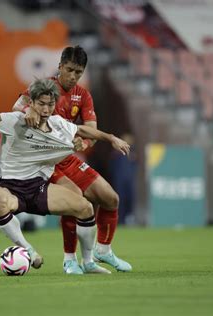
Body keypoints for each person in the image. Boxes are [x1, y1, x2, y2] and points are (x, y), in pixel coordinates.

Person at [0, 78, 130, 274]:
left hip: (38, 188)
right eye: (41, 104)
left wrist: (111, 138)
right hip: (10, 188)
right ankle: (29, 250)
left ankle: (88, 262)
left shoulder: (59, 126)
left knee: (85, 208)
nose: (46, 109)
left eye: (50, 104)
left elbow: (85, 131)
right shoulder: (12, 120)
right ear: (32, 103)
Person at [13, 46, 132, 274]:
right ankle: (70, 260)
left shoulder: (83, 95)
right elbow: (16, 107)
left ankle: (103, 250)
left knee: (110, 198)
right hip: (44, 161)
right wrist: (26, 110)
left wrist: (84, 144)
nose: (73, 76)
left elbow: (90, 132)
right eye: (69, 70)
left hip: (67, 158)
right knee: (74, 199)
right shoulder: (45, 87)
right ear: (60, 66)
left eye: (78, 72)